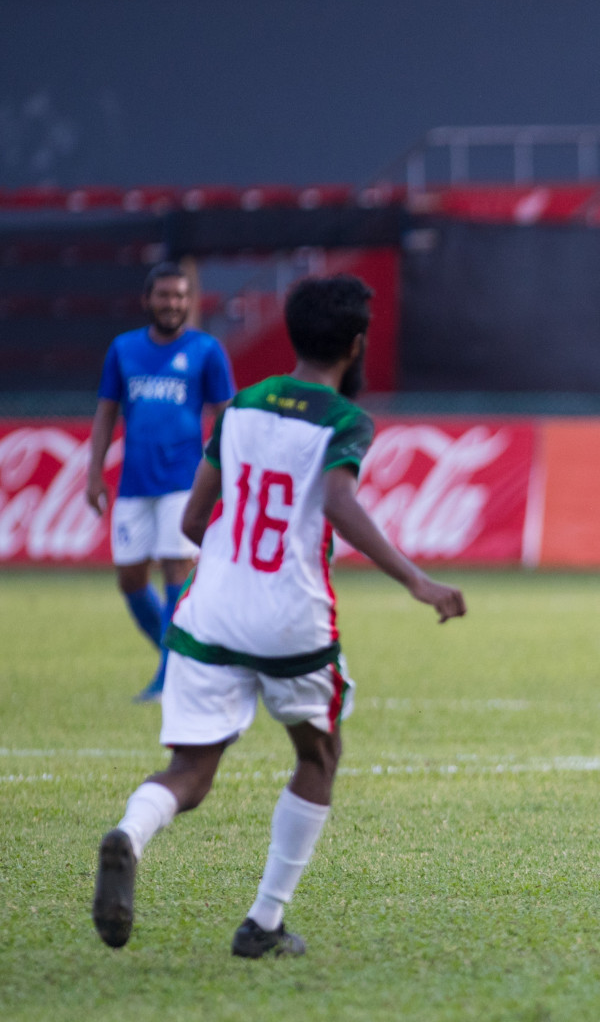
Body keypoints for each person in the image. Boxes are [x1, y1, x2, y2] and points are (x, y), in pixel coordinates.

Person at [91, 274, 468, 958]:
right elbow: (339, 501)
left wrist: (235, 568)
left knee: (191, 770)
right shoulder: (345, 419)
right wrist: (416, 579)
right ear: (356, 346)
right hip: (292, 616)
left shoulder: (240, 406)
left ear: (293, 335)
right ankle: (264, 922)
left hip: (211, 612)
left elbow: (195, 519)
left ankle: (130, 834)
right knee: (318, 752)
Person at [86, 262, 236, 702]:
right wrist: (94, 471)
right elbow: (106, 410)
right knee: (130, 578)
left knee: (176, 566)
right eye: (165, 296)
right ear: (147, 300)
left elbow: (227, 415)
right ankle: (178, 656)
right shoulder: (124, 349)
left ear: (190, 303)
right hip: (134, 483)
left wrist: (224, 469)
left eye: (180, 297)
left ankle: (169, 675)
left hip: (183, 481)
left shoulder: (207, 350)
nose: (173, 304)